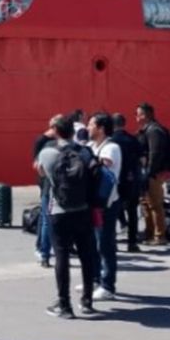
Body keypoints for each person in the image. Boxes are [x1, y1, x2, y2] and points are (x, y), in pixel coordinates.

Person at [37, 115, 97, 319]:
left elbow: (41, 172)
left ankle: (64, 305)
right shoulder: (86, 151)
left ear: (56, 131)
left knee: (61, 256)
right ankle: (87, 301)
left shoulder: (47, 153)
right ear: (73, 131)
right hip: (84, 209)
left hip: (59, 211)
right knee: (87, 255)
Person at [88, 113, 121, 301]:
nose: (88, 127)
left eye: (91, 124)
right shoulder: (92, 146)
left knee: (105, 244)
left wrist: (88, 160)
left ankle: (108, 285)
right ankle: (94, 279)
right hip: (92, 202)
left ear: (101, 128)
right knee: (92, 242)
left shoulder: (112, 147)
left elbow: (105, 163)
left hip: (106, 203)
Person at [137, 102, 170, 246]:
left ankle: (159, 236)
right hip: (148, 171)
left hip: (153, 173)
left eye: (138, 114)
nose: (137, 117)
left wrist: (150, 172)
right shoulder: (149, 129)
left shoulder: (153, 131)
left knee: (155, 204)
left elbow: (155, 153)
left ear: (146, 115)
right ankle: (149, 233)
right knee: (146, 203)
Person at [31, 117, 63, 268]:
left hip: (48, 186)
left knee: (46, 221)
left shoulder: (47, 146)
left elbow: (38, 167)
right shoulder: (73, 147)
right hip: (66, 190)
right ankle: (61, 252)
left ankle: (45, 254)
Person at [111, 113, 143, 252]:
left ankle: (112, 241)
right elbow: (142, 160)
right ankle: (132, 242)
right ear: (124, 123)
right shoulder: (133, 139)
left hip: (115, 181)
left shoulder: (110, 141)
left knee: (112, 211)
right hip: (132, 180)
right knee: (132, 212)